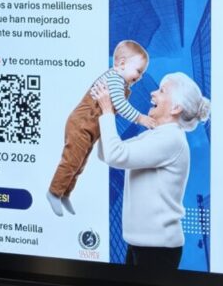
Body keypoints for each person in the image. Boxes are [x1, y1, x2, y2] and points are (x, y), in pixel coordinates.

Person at [93, 71, 210, 271]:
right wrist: (105, 114)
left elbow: (116, 155)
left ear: (175, 107)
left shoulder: (171, 140)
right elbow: (107, 154)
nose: (153, 93)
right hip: (142, 245)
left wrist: (107, 112)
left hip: (157, 250)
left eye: (162, 91)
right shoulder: (155, 135)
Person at [47, 39, 152, 216]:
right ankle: (53, 192)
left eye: (142, 73)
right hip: (81, 124)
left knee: (79, 164)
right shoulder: (114, 78)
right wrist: (141, 118)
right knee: (71, 161)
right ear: (122, 63)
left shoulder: (121, 83)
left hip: (90, 130)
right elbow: (119, 103)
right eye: (138, 71)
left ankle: (65, 193)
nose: (139, 77)